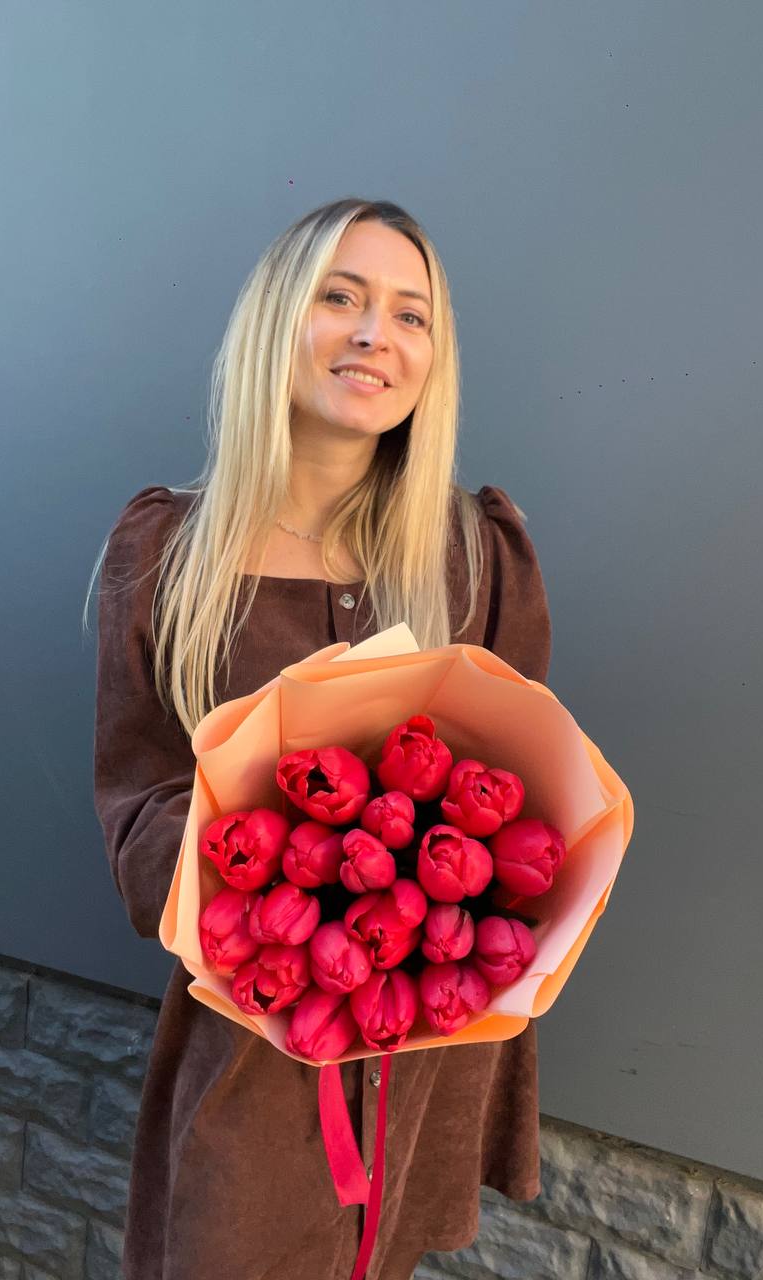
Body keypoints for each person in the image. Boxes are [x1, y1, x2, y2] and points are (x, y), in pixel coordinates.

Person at [87, 197, 552, 1280]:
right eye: (339, 297)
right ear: (275, 320)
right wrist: (283, 889)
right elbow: (136, 802)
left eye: (410, 314)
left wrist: (446, 893)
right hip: (251, 1043)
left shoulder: (474, 555)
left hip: (427, 1035)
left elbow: (527, 792)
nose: (373, 334)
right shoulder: (167, 555)